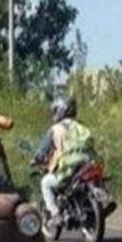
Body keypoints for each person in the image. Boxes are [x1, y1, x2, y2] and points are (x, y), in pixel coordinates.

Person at [37, 97, 94, 227]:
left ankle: (56, 214)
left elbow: (42, 151)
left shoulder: (54, 129)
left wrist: (38, 158)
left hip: (67, 170)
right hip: (87, 165)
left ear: (60, 111)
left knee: (45, 183)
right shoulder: (81, 126)